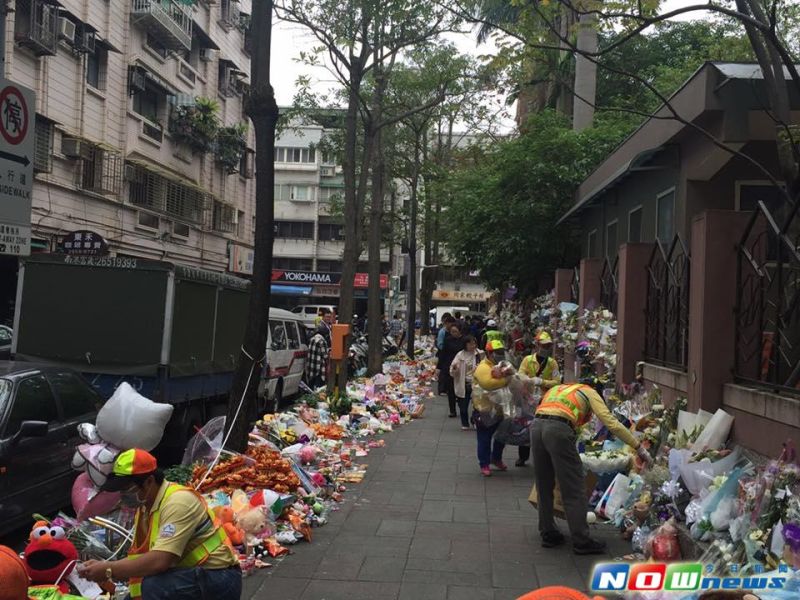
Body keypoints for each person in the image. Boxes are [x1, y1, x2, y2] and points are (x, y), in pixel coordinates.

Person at [78, 449, 241, 600]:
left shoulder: (178, 502)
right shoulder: (145, 507)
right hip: (189, 576)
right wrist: (107, 569)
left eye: (127, 489)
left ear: (149, 482)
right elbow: (141, 559)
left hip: (220, 578)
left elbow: (159, 561)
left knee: (155, 587)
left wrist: (108, 570)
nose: (123, 496)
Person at [532, 383, 652, 555]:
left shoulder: (559, 389)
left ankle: (548, 533)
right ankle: (581, 540)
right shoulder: (590, 392)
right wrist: (638, 447)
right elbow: (611, 422)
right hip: (558, 430)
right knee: (574, 487)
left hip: (536, 426)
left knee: (543, 483)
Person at [515, 331, 561, 467]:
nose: (546, 349)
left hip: (544, 399)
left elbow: (557, 381)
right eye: (544, 346)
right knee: (525, 426)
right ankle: (523, 457)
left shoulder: (552, 363)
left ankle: (543, 459)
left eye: (548, 347)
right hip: (528, 398)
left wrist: (541, 381)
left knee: (543, 429)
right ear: (537, 345)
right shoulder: (527, 360)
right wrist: (528, 380)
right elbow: (520, 374)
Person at [472, 339, 514, 476]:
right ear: (489, 353)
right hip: (484, 409)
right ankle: (484, 464)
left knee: (501, 436)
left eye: (501, 352)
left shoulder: (502, 365)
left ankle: (496, 458)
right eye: (497, 352)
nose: (500, 355)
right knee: (484, 437)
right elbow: (488, 384)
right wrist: (506, 380)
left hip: (500, 408)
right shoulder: (483, 367)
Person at [449, 335, 480, 430]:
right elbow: (452, 371)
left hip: (476, 383)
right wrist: (455, 368)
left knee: (478, 405)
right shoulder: (460, 355)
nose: (473, 346)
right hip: (464, 383)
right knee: (463, 406)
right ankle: (465, 423)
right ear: (465, 345)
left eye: (474, 343)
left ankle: (475, 419)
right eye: (470, 344)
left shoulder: (479, 354)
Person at [439, 323, 465, 417]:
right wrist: (440, 367)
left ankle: (462, 408)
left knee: (462, 388)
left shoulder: (464, 340)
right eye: (451, 332)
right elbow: (443, 354)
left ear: (460, 331)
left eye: (455, 331)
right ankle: (452, 410)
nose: (453, 333)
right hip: (449, 367)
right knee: (451, 390)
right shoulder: (448, 340)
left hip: (462, 367)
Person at [306, 324, 330, 389]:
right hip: (319, 367)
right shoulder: (322, 341)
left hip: (311, 365)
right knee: (319, 386)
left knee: (311, 384)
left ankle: (309, 396)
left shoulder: (312, 339)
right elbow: (325, 356)